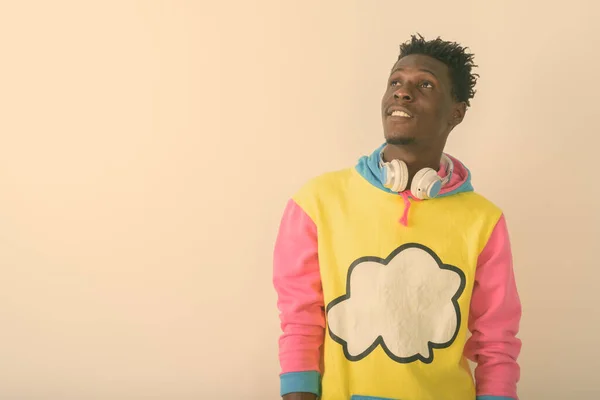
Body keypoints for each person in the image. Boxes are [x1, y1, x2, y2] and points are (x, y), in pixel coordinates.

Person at [272, 34, 522, 400]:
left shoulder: (484, 221)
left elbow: (496, 342)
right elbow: (300, 321)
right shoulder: (315, 203)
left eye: (425, 84)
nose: (402, 93)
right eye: (395, 82)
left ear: (456, 112)